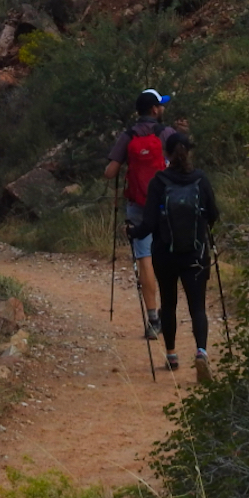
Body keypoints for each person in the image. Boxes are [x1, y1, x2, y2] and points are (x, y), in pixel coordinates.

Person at [126, 131, 219, 383]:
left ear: (166, 154)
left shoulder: (159, 181)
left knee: (168, 304)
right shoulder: (201, 179)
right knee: (197, 305)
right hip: (196, 253)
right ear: (189, 152)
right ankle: (201, 351)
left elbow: (148, 223)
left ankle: (172, 354)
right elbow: (213, 214)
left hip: (165, 254)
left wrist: (132, 232)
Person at [105, 89, 180, 339]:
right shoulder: (167, 133)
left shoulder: (128, 136)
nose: (163, 109)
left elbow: (110, 172)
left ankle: (152, 319)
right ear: (154, 110)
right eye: (161, 105)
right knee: (169, 257)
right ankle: (169, 311)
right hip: (166, 206)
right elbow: (184, 165)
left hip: (138, 207)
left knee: (144, 258)